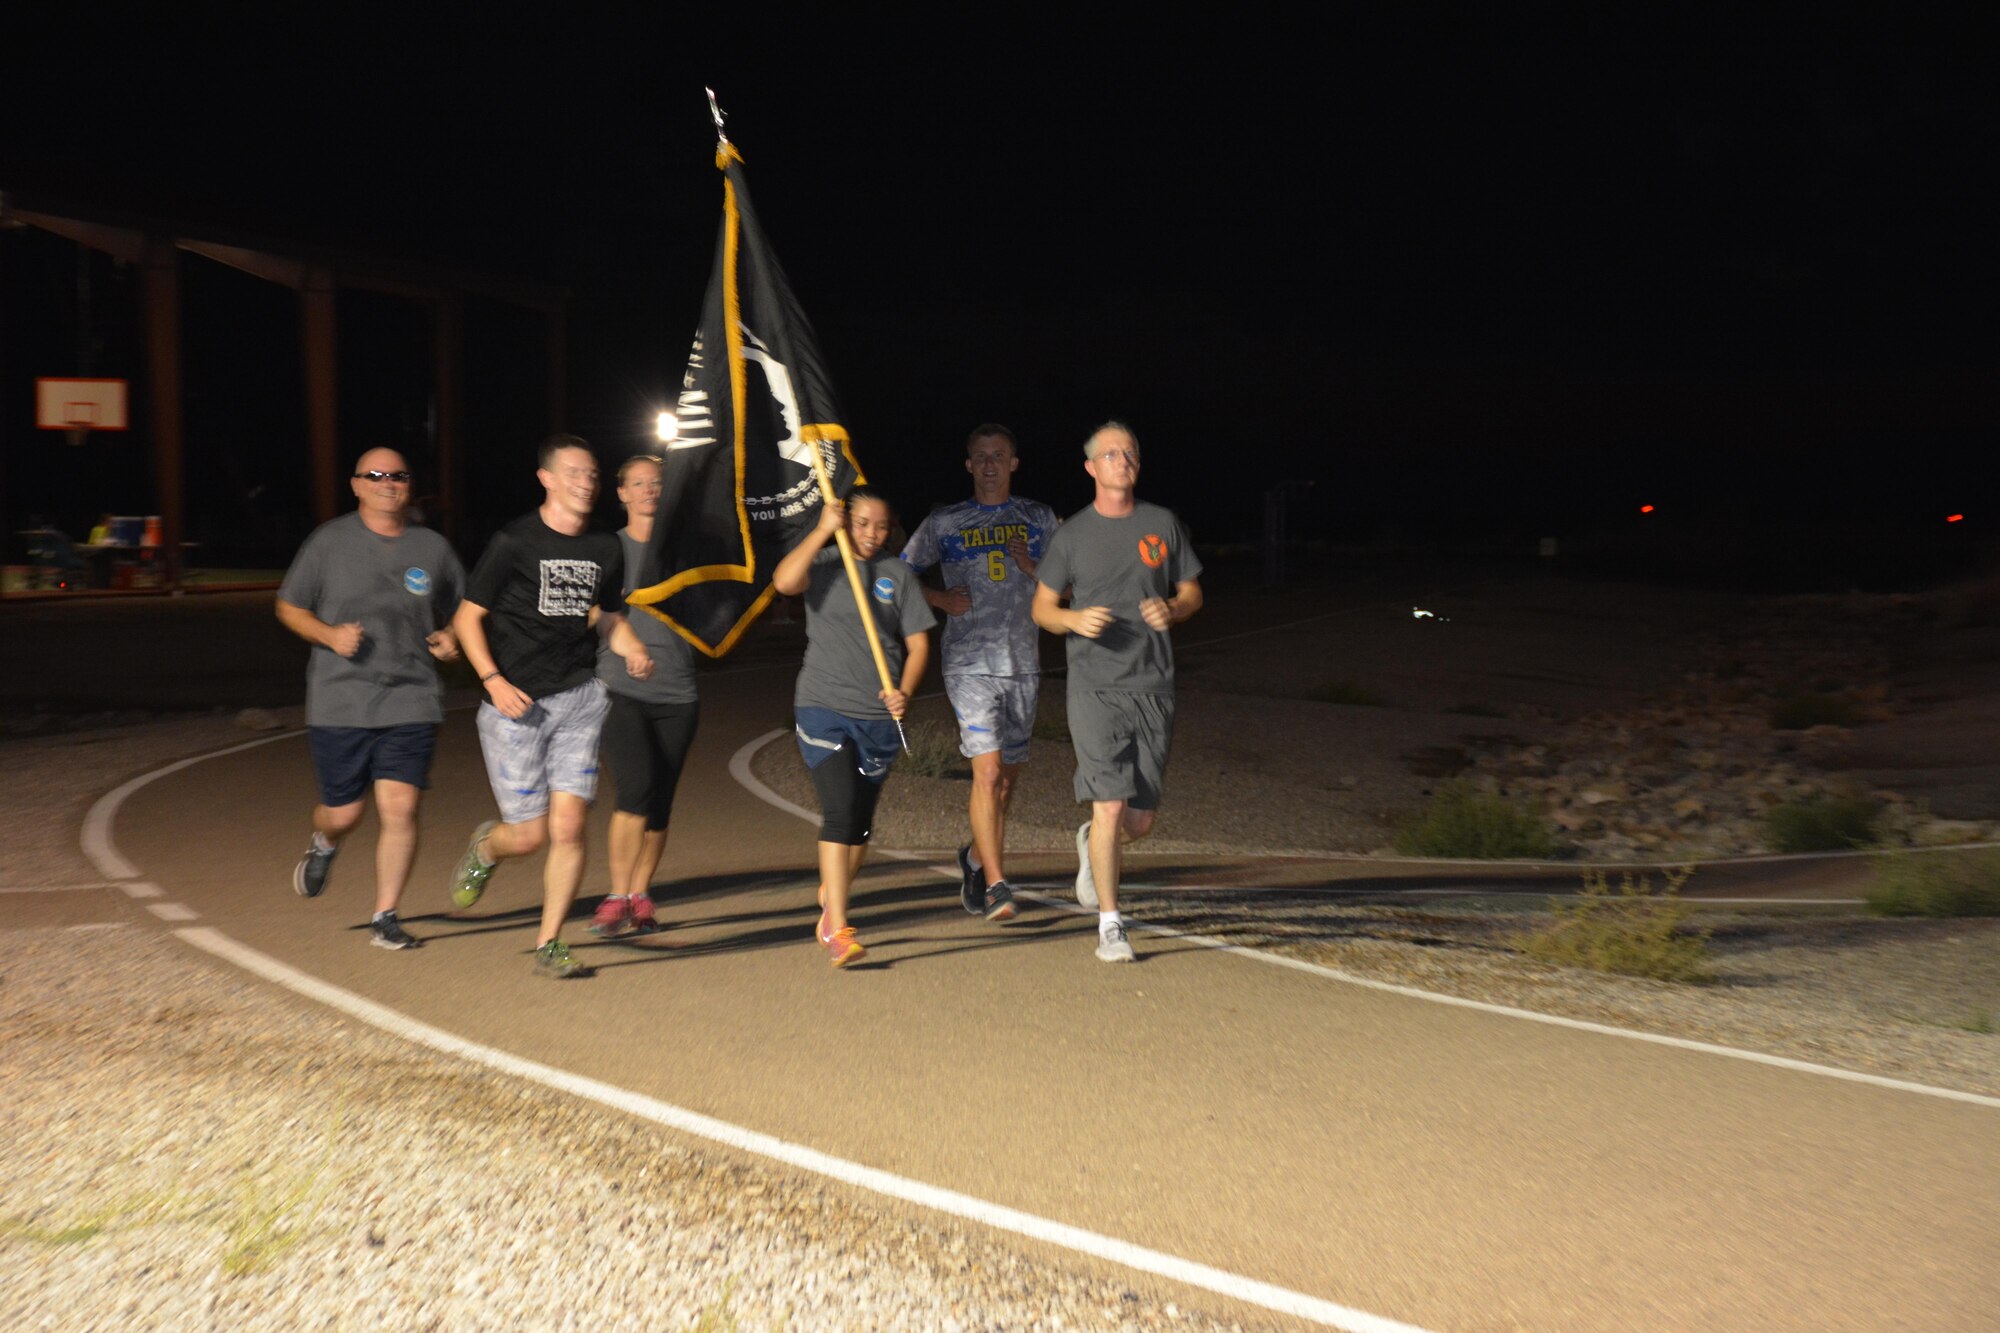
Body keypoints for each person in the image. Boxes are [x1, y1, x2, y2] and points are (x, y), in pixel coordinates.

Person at [448, 434, 654, 979]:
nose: (586, 482)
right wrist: (491, 679)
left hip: (579, 700)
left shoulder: (607, 548)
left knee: (569, 829)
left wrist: (629, 647)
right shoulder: (513, 541)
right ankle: (487, 848)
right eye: (574, 473)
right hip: (514, 706)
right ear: (546, 479)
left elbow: (608, 616)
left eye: (591, 474)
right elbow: (468, 618)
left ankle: (550, 943)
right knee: (530, 835)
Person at [276, 447, 464, 950]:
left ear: (409, 485)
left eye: (398, 475)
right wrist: (329, 635)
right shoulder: (329, 542)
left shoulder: (432, 549)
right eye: (375, 475)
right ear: (356, 485)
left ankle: (386, 916)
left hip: (412, 696)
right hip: (342, 699)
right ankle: (324, 842)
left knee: (400, 810)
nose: (388, 482)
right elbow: (289, 607)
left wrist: (451, 636)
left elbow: (463, 610)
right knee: (344, 813)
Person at [1031, 422, 1203, 962]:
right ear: (1091, 468)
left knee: (1139, 821)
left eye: (1130, 452)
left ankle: (1090, 844)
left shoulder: (1162, 524)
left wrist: (1173, 609)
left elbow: (1193, 591)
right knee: (1110, 805)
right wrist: (1074, 621)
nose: (1123, 460)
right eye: (1111, 454)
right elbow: (1042, 609)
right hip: (1094, 688)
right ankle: (1111, 926)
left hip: (1153, 684)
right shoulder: (1072, 535)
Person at [899, 423, 1059, 921]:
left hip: (1023, 665)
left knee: (1005, 781)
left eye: (999, 455)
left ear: (1014, 463)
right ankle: (996, 884)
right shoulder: (945, 521)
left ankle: (973, 857)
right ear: (969, 465)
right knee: (986, 773)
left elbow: (1076, 585)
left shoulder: (1039, 518)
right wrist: (940, 598)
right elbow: (897, 573)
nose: (990, 464)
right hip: (968, 664)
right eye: (981, 457)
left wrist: (1037, 571)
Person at [771, 486, 935, 967]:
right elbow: (783, 582)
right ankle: (839, 928)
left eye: (881, 526)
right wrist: (823, 529)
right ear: (845, 521)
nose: (872, 533)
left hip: (878, 716)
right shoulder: (822, 563)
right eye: (861, 522)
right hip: (823, 706)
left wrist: (903, 690)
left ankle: (831, 896)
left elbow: (919, 645)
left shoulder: (897, 574)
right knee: (840, 811)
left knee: (860, 827)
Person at [590, 454, 700, 939]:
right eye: (638, 483)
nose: (649, 490)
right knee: (635, 789)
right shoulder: (607, 549)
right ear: (622, 493)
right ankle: (616, 897)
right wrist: (622, 639)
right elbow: (590, 610)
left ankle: (640, 892)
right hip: (620, 686)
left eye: (656, 483)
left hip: (678, 691)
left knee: (660, 803)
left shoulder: (686, 551)